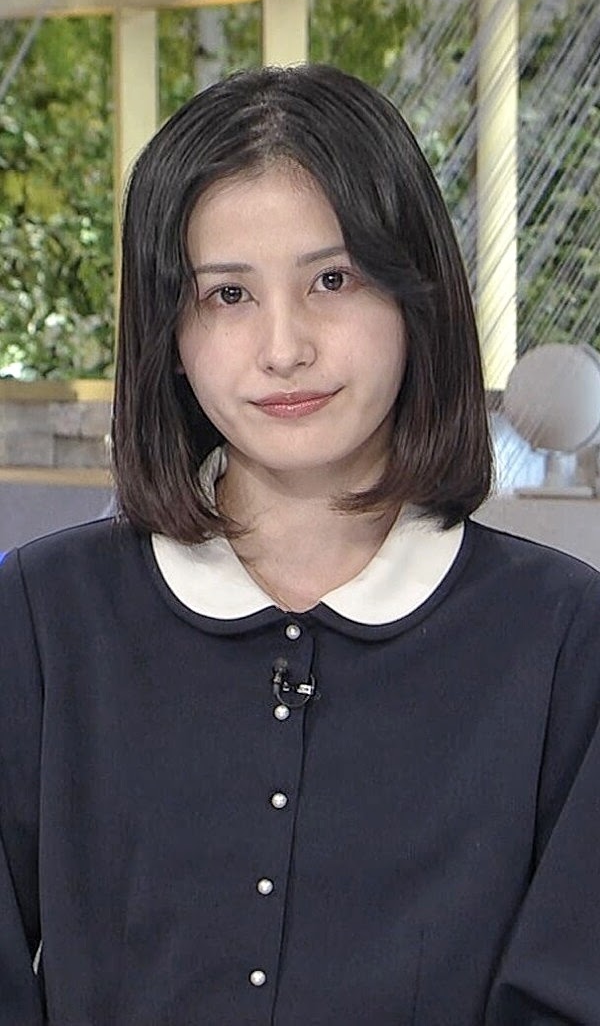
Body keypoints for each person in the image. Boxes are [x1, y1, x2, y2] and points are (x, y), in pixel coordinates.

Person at [1, 64, 599, 1026]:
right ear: (168, 333)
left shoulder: (566, 637)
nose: (285, 348)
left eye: (334, 279)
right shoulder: (39, 616)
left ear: (417, 298)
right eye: (227, 295)